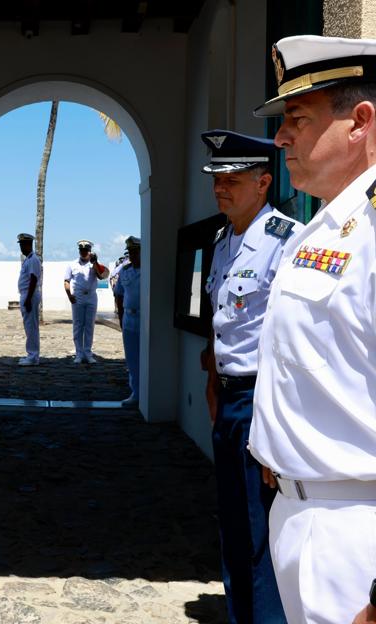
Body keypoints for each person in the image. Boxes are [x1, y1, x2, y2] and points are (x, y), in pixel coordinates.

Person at [247, 35, 376, 624]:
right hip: (297, 513)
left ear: (361, 123)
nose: (280, 137)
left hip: (357, 531)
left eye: (296, 118)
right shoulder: (315, 230)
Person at [201, 129, 303, 624]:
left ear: (263, 182)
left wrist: (274, 426)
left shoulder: (286, 240)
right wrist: (212, 380)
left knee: (262, 532)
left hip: (262, 401)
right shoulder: (223, 242)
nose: (221, 188)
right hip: (230, 400)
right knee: (235, 529)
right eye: (218, 179)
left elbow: (292, 339)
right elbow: (222, 324)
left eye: (233, 179)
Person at [64, 240, 109, 364]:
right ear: (79, 251)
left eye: (86, 250)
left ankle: (88, 353)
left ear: (90, 252)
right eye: (82, 250)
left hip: (91, 297)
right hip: (78, 296)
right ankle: (79, 353)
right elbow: (66, 281)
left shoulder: (94, 264)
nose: (84, 252)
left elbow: (102, 276)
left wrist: (95, 262)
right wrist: (69, 295)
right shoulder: (72, 264)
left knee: (89, 325)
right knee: (78, 325)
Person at [113, 236, 140, 407]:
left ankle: (146, 391)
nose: (131, 255)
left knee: (145, 356)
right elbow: (119, 294)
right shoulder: (125, 271)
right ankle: (136, 392)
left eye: (134, 252)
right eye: (129, 252)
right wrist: (121, 318)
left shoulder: (149, 269)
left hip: (144, 317)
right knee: (131, 358)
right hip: (129, 317)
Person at [16, 233, 42, 366]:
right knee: (29, 326)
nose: (21, 247)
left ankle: (33, 356)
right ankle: (31, 354)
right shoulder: (29, 259)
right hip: (27, 294)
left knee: (31, 326)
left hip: (29, 295)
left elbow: (33, 279)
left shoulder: (33, 259)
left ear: (28, 244)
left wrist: (28, 298)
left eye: (22, 245)